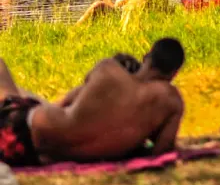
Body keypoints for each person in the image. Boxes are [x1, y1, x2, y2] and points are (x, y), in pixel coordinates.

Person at [0, 37, 185, 167]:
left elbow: (68, 102)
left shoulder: (108, 69)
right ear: (173, 73)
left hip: (18, 128)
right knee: (22, 96)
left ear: (146, 57)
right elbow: (162, 150)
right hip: (30, 154)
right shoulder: (171, 101)